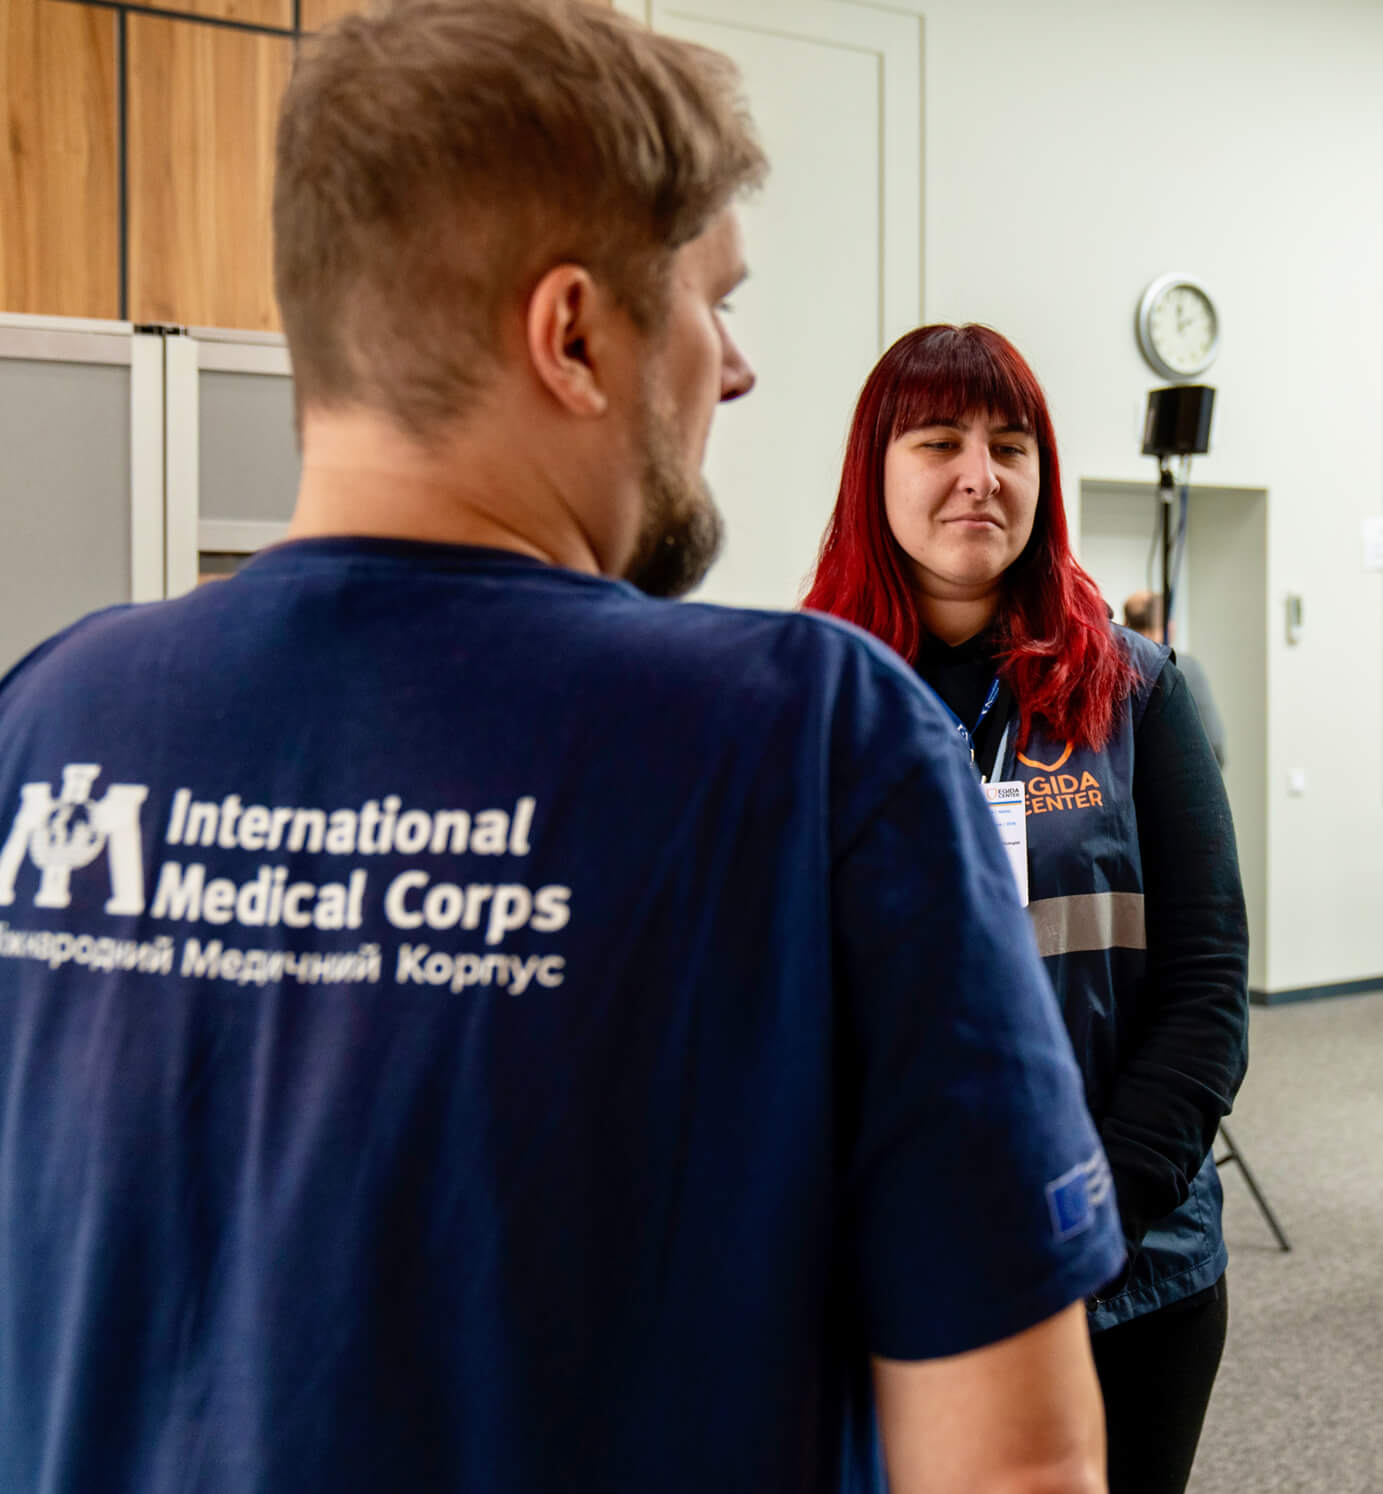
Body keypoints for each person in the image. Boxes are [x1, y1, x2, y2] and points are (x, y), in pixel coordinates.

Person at [0, 5, 1122, 1490]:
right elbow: (1008, 1467)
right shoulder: (814, 741)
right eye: (712, 302)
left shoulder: (46, 730)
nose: (734, 368)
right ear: (576, 335)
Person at [804, 323, 1250, 1494]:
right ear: (875, 472)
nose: (979, 474)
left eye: (1010, 445)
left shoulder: (1136, 690)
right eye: (938, 440)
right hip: (881, 1264)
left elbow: (1206, 990)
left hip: (1126, 1264)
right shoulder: (802, 698)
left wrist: (1082, 1224)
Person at [1122, 588, 1227, 767]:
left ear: (1125, 624)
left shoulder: (1112, 670)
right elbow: (1214, 742)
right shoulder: (1184, 668)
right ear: (1169, 626)